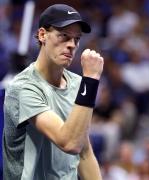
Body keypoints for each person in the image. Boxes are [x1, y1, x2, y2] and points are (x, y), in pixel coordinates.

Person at [3, 4, 104, 180]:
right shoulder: (23, 87)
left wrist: (87, 82)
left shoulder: (78, 84)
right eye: (64, 36)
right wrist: (91, 79)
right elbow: (69, 142)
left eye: (76, 39)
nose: (72, 45)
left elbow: (84, 152)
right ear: (43, 35)